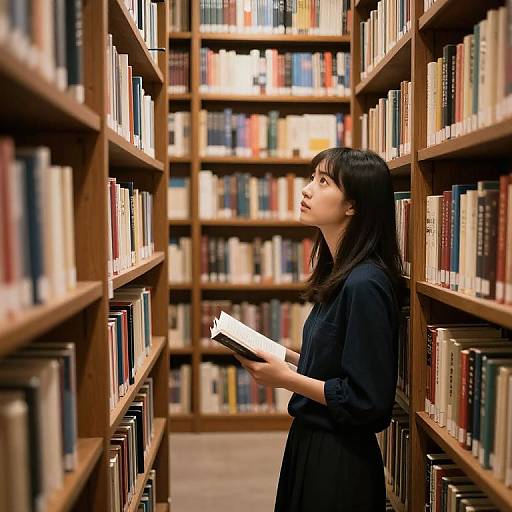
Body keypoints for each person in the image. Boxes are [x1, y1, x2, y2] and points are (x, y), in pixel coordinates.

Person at [234, 147, 405, 512]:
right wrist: (288, 358)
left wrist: (285, 378)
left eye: (323, 181)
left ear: (353, 205)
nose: (307, 190)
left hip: (339, 460)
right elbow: (341, 359)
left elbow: (368, 402)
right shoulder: (341, 274)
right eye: (312, 178)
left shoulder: (365, 284)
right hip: (311, 444)